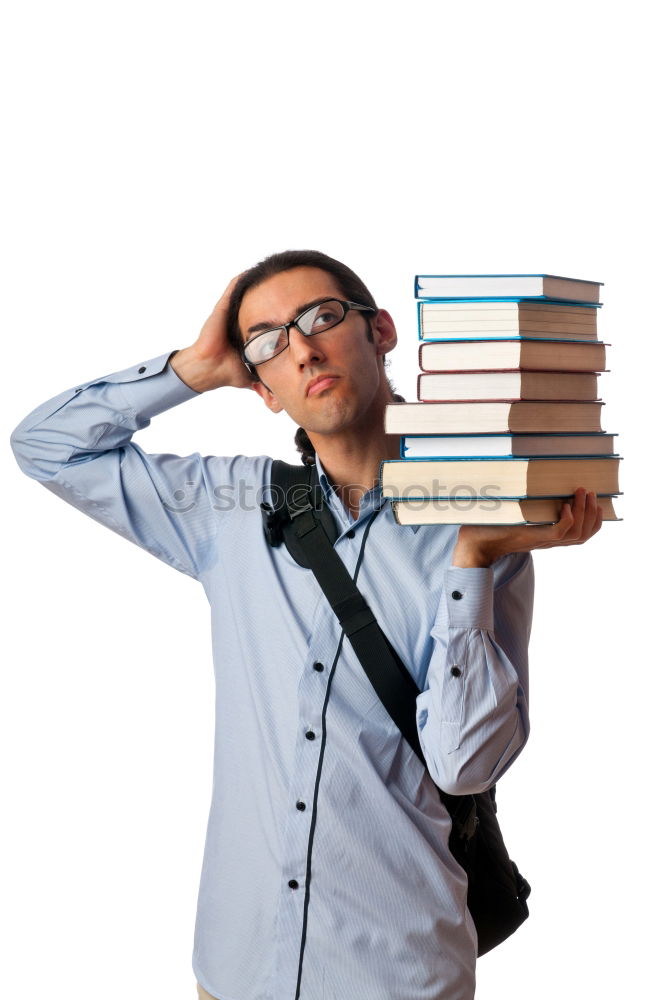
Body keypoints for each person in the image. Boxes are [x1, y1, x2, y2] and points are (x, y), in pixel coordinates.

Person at [10, 250, 603, 1000]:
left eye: (322, 317)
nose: (303, 349)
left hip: (395, 978)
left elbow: (464, 767)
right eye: (268, 342)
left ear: (380, 331)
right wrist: (192, 368)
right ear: (261, 386)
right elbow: (46, 448)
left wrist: (473, 559)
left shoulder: (481, 532)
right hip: (234, 971)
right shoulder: (228, 509)